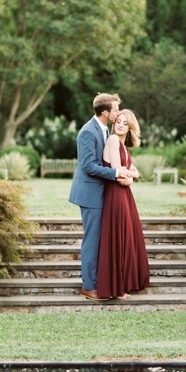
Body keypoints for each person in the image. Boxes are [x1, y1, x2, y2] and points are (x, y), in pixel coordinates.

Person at [69, 93, 134, 301]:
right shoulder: (87, 132)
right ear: (106, 112)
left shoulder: (105, 129)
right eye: (115, 110)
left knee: (100, 240)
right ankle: (88, 286)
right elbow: (88, 166)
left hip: (102, 194)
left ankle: (102, 281)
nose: (118, 113)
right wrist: (116, 173)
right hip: (90, 194)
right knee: (92, 240)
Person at [96, 109, 150, 300]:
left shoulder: (123, 146)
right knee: (119, 236)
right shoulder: (112, 140)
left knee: (127, 236)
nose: (120, 124)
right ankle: (117, 289)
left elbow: (126, 174)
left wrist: (131, 178)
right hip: (116, 194)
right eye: (118, 121)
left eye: (125, 123)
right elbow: (118, 172)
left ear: (130, 127)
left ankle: (127, 283)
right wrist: (134, 174)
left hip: (125, 194)